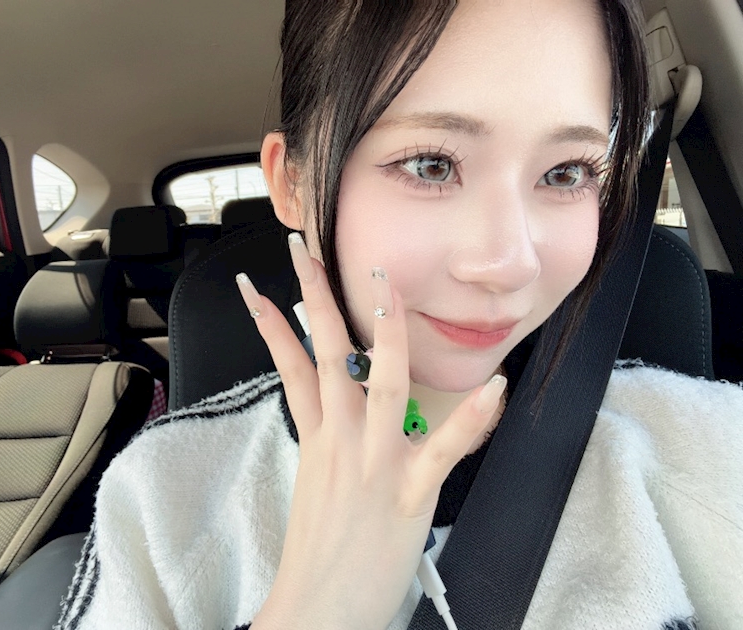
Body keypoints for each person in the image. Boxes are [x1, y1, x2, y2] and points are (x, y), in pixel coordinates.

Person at [56, 1, 743, 628]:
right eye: (431, 165)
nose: (508, 264)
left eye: (566, 173)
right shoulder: (163, 498)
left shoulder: (704, 447)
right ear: (293, 183)